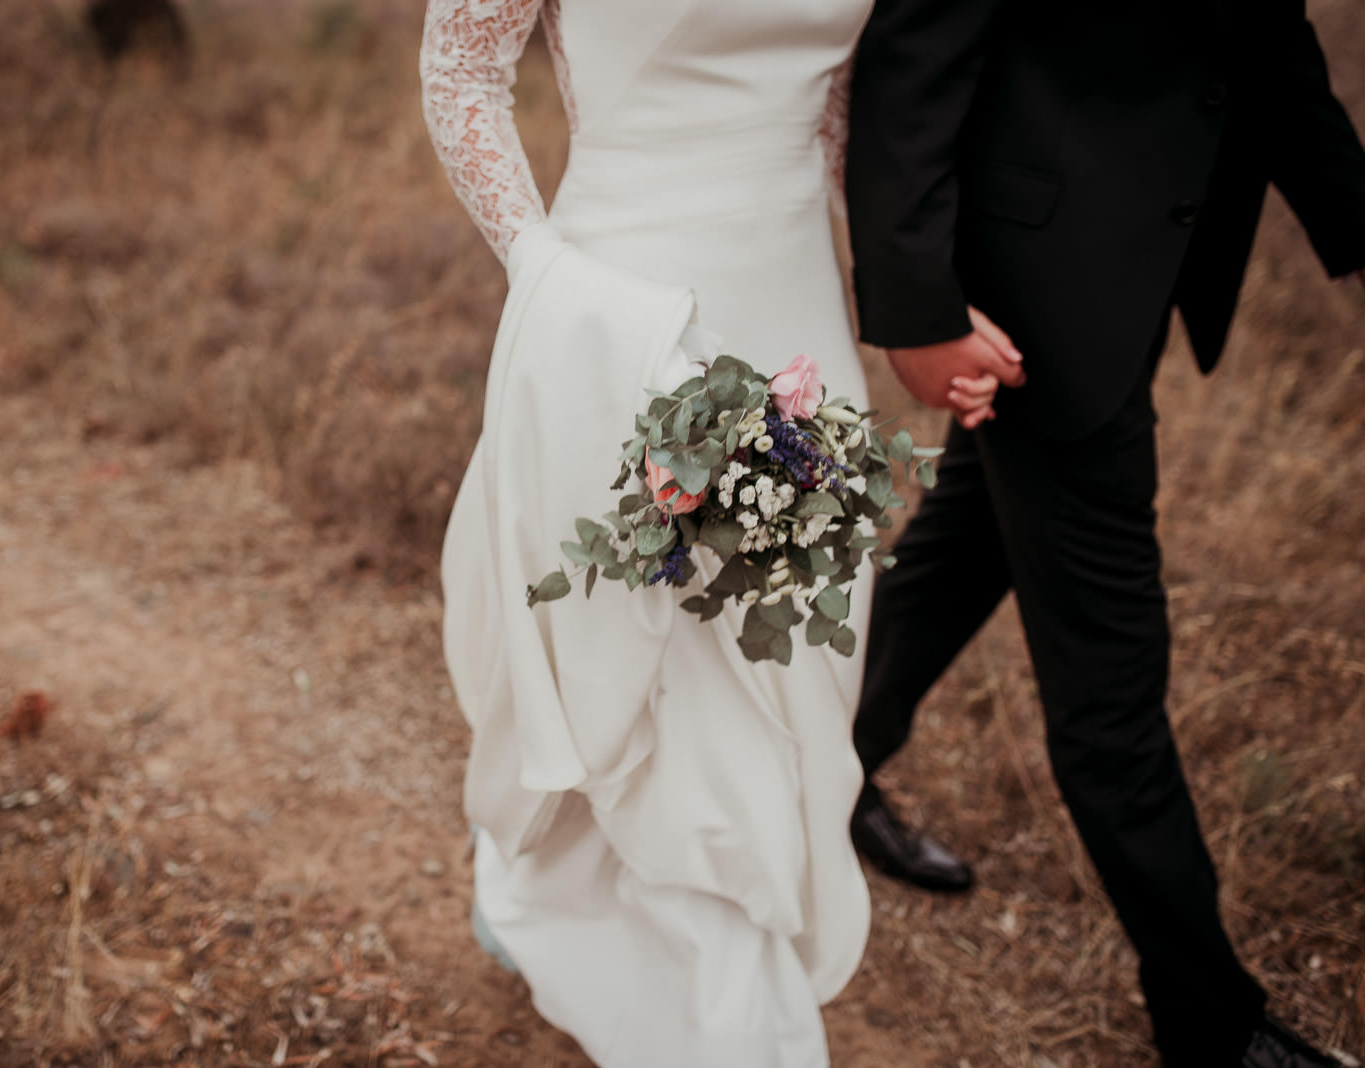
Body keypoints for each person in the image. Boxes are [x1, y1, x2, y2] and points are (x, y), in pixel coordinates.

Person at [420, 2, 1012, 1064]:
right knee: (646, 638)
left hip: (789, 291)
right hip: (621, 301)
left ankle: (621, 912)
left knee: (794, 639)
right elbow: (461, 74)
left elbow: (835, 111)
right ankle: (711, 1006)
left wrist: (917, 297)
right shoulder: (588, 300)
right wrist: (545, 276)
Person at [843, 1, 1365, 1066]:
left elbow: (1266, 36)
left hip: (1134, 273)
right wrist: (917, 307)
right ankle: (1208, 1020)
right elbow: (910, 58)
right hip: (1035, 299)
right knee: (1110, 684)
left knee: (967, 544)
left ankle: (824, 777)